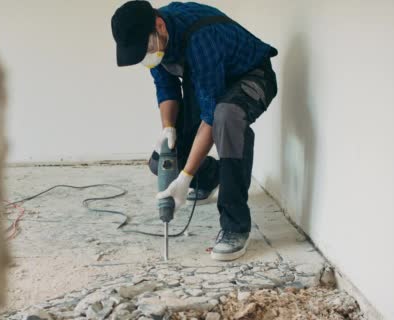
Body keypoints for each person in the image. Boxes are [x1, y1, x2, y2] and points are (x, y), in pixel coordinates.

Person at [111, 1, 278, 261]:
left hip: (252, 77)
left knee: (227, 116)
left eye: (146, 50)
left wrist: (186, 176)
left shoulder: (201, 38)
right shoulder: (157, 40)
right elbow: (166, 88)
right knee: (165, 161)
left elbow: (211, 117)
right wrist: (168, 130)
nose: (146, 57)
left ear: (159, 25)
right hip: (207, 80)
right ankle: (210, 177)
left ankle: (235, 226)